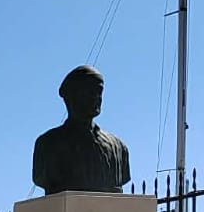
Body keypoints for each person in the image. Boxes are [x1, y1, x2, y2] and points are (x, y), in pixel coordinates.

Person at [31, 65, 131, 194]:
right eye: (89, 91)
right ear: (71, 97)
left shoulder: (119, 148)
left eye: (99, 92)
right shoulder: (48, 144)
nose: (96, 97)